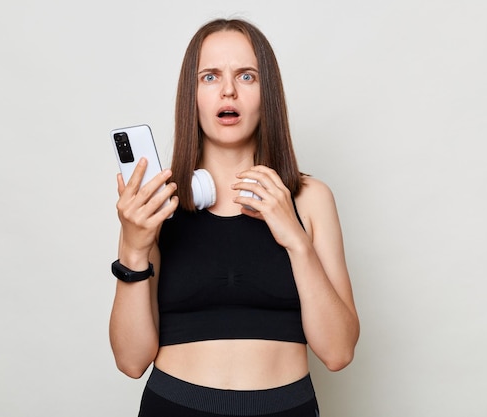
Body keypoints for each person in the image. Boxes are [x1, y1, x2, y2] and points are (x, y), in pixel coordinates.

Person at [109, 18, 359, 417]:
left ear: (268, 94)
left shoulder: (311, 199)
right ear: (191, 96)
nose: (228, 90)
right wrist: (135, 248)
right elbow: (131, 361)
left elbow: (338, 351)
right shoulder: (156, 204)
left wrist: (294, 237)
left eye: (246, 76)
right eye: (210, 77)